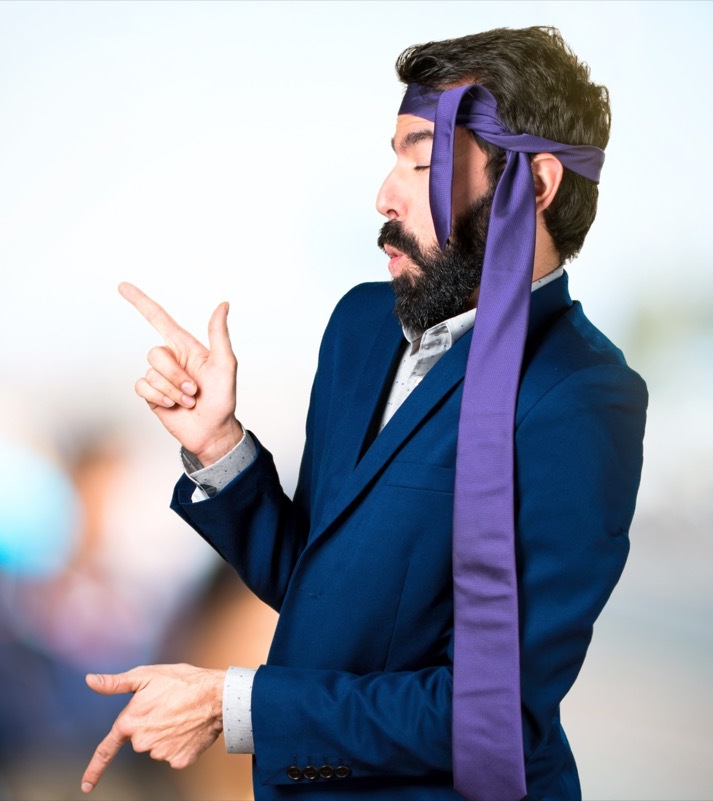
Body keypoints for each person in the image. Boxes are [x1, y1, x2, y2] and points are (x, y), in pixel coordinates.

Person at [82, 26, 647, 800]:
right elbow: (327, 593)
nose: (385, 192)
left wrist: (231, 705)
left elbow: (491, 713)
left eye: (423, 158)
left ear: (536, 183)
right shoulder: (359, 327)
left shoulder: (580, 395)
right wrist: (218, 443)